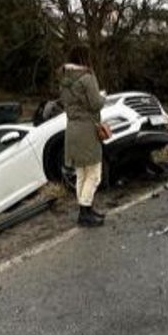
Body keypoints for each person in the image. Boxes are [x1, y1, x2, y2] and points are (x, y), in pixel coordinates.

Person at [60, 43, 108, 227]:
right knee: (95, 173)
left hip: (72, 129)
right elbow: (95, 104)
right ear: (84, 59)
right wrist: (103, 97)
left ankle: (86, 210)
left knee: (81, 173)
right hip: (87, 130)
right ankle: (85, 211)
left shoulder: (64, 80)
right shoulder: (87, 78)